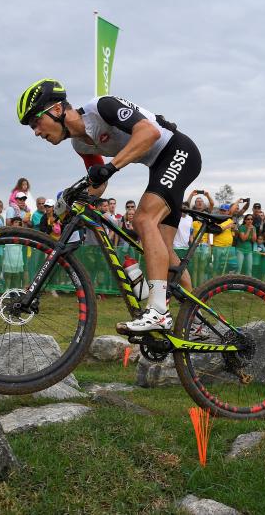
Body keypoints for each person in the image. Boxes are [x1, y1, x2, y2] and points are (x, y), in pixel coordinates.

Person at [17, 79, 202, 333]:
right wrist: (73, 200)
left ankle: (158, 311)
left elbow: (149, 132)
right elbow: (98, 184)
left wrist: (111, 167)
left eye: (36, 122)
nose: (36, 132)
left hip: (178, 151)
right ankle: (198, 322)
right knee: (166, 251)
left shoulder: (101, 107)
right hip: (159, 165)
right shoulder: (79, 144)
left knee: (143, 219)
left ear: (57, 110)